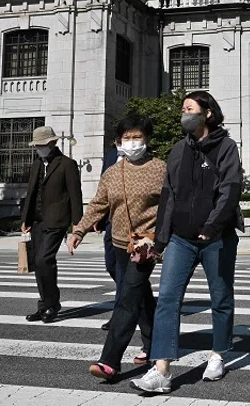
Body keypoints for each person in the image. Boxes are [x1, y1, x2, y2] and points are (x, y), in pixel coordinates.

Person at [132, 91, 244, 395]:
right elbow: (169, 197)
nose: (184, 112)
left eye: (189, 108)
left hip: (216, 239)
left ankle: (218, 354)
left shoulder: (225, 147)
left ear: (207, 113)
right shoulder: (179, 150)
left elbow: (230, 190)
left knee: (220, 298)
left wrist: (212, 225)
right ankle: (162, 370)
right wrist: (160, 239)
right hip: (182, 239)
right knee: (167, 299)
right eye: (183, 108)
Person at [67, 114, 167, 380]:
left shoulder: (160, 168)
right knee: (140, 297)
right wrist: (79, 230)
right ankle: (153, 345)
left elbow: (171, 207)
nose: (132, 142)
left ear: (147, 139)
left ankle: (109, 361)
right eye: (127, 138)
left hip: (145, 246)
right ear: (119, 142)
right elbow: (99, 204)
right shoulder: (113, 172)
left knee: (126, 298)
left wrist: (160, 238)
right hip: (119, 243)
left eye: (137, 137)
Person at [20, 125, 83, 323]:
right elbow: (31, 192)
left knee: (44, 260)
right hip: (37, 221)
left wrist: (77, 225)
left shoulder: (67, 164)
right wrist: (25, 219)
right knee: (38, 264)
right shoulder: (37, 164)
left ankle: (53, 304)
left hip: (57, 220)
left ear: (51, 143)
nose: (38, 148)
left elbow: (75, 195)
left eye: (41, 145)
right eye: (36, 145)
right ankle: (45, 304)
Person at [99, 144, 123, 331]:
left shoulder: (148, 157)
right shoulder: (111, 155)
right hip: (111, 220)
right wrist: (98, 217)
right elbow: (103, 187)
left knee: (126, 272)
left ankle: (119, 315)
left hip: (135, 225)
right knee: (111, 265)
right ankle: (136, 298)